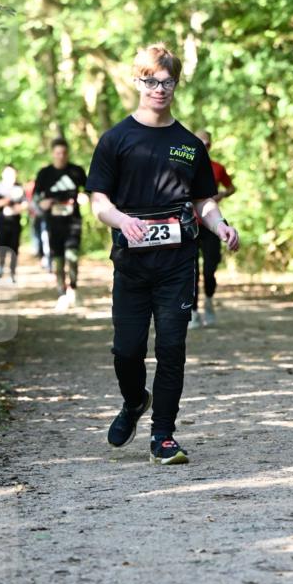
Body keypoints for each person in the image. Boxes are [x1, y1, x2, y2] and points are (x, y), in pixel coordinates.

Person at [86, 43, 239, 465]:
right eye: (151, 81)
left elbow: (204, 202)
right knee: (127, 350)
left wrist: (220, 225)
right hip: (132, 264)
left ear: (176, 84)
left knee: (172, 347)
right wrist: (120, 220)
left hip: (177, 263)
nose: (159, 89)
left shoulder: (189, 144)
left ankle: (163, 435)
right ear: (137, 81)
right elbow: (98, 201)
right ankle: (135, 401)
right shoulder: (116, 140)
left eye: (167, 82)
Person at [189, 130, 236, 328]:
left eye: (207, 144)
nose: (204, 147)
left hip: (211, 225)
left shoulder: (217, 168)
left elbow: (231, 187)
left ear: (210, 146)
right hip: (189, 225)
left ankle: (208, 302)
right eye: (200, 143)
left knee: (210, 269)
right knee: (191, 271)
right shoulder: (185, 166)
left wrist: (220, 195)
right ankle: (192, 312)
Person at [33, 139, 87, 311]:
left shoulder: (76, 171)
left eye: (64, 153)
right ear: (52, 154)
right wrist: (42, 203)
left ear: (68, 153)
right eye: (58, 153)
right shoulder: (44, 173)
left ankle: (74, 289)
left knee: (72, 255)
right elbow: (36, 198)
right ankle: (61, 294)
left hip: (73, 222)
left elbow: (90, 191)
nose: (61, 156)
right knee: (58, 259)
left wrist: (86, 197)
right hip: (53, 223)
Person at [0, 165, 26, 282]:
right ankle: (0, 267)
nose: (11, 176)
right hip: (2, 221)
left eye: (13, 174)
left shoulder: (19, 187)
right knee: (2, 246)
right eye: (8, 173)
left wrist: (18, 208)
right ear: (3, 174)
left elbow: (25, 203)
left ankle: (12, 272)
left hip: (15, 221)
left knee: (14, 247)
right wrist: (4, 201)